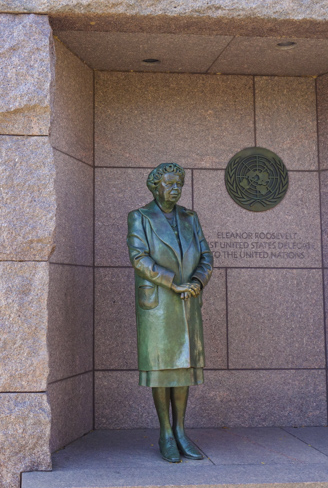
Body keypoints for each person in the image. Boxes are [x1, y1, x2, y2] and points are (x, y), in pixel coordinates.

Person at [126, 162, 213, 463]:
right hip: (159, 303)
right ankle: (165, 433)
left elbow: (206, 256)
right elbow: (138, 257)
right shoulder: (140, 217)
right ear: (155, 186)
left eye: (179, 184)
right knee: (162, 367)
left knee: (183, 367)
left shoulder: (190, 217)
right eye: (169, 184)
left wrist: (197, 282)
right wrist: (172, 282)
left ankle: (181, 431)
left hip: (188, 299)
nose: (175, 189)